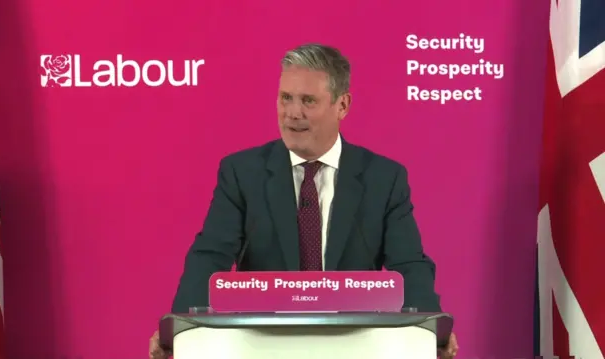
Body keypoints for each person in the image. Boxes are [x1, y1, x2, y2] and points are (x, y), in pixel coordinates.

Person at [149, 43, 458, 359]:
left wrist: (428, 331)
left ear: (342, 105)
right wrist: (180, 331)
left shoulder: (384, 178)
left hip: (355, 344)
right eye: (286, 98)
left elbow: (408, 264)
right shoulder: (242, 173)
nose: (292, 113)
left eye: (308, 100)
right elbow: (210, 256)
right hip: (262, 345)